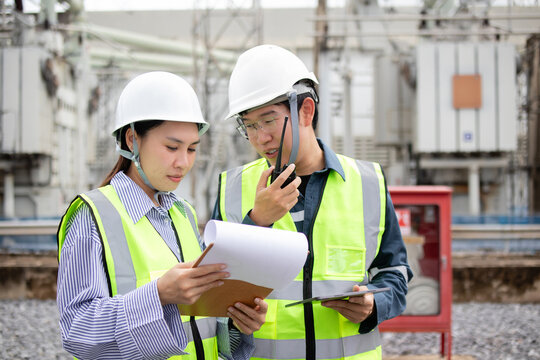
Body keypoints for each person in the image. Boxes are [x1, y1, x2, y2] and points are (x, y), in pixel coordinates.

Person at [212, 45, 413, 360]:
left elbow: (396, 270)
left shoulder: (368, 182)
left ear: (305, 110)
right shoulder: (233, 189)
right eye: (249, 125)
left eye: (268, 121)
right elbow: (212, 289)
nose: (259, 137)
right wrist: (257, 222)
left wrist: (374, 306)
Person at [57, 71, 267, 360]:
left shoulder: (183, 213)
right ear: (132, 140)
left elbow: (199, 329)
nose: (183, 162)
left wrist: (237, 324)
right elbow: (78, 333)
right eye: (171, 147)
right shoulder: (91, 216)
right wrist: (158, 295)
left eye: (192, 149)